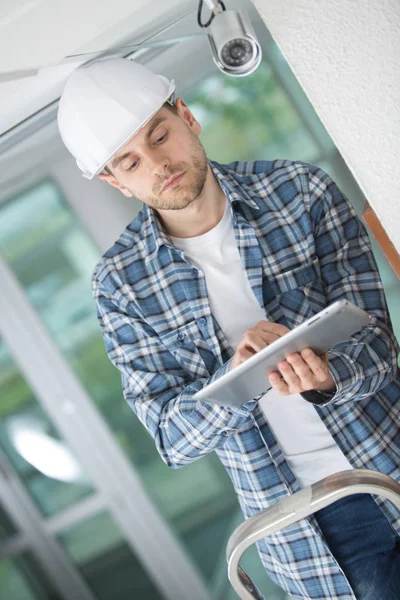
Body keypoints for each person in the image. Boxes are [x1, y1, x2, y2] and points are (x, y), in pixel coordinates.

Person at [57, 57, 400, 600]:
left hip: (391, 460)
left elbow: (381, 347)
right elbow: (172, 438)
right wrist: (238, 379)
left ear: (187, 116)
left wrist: (328, 375)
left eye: (160, 135)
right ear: (115, 182)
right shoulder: (120, 287)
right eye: (129, 162)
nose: (157, 164)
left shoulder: (302, 192)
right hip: (312, 534)